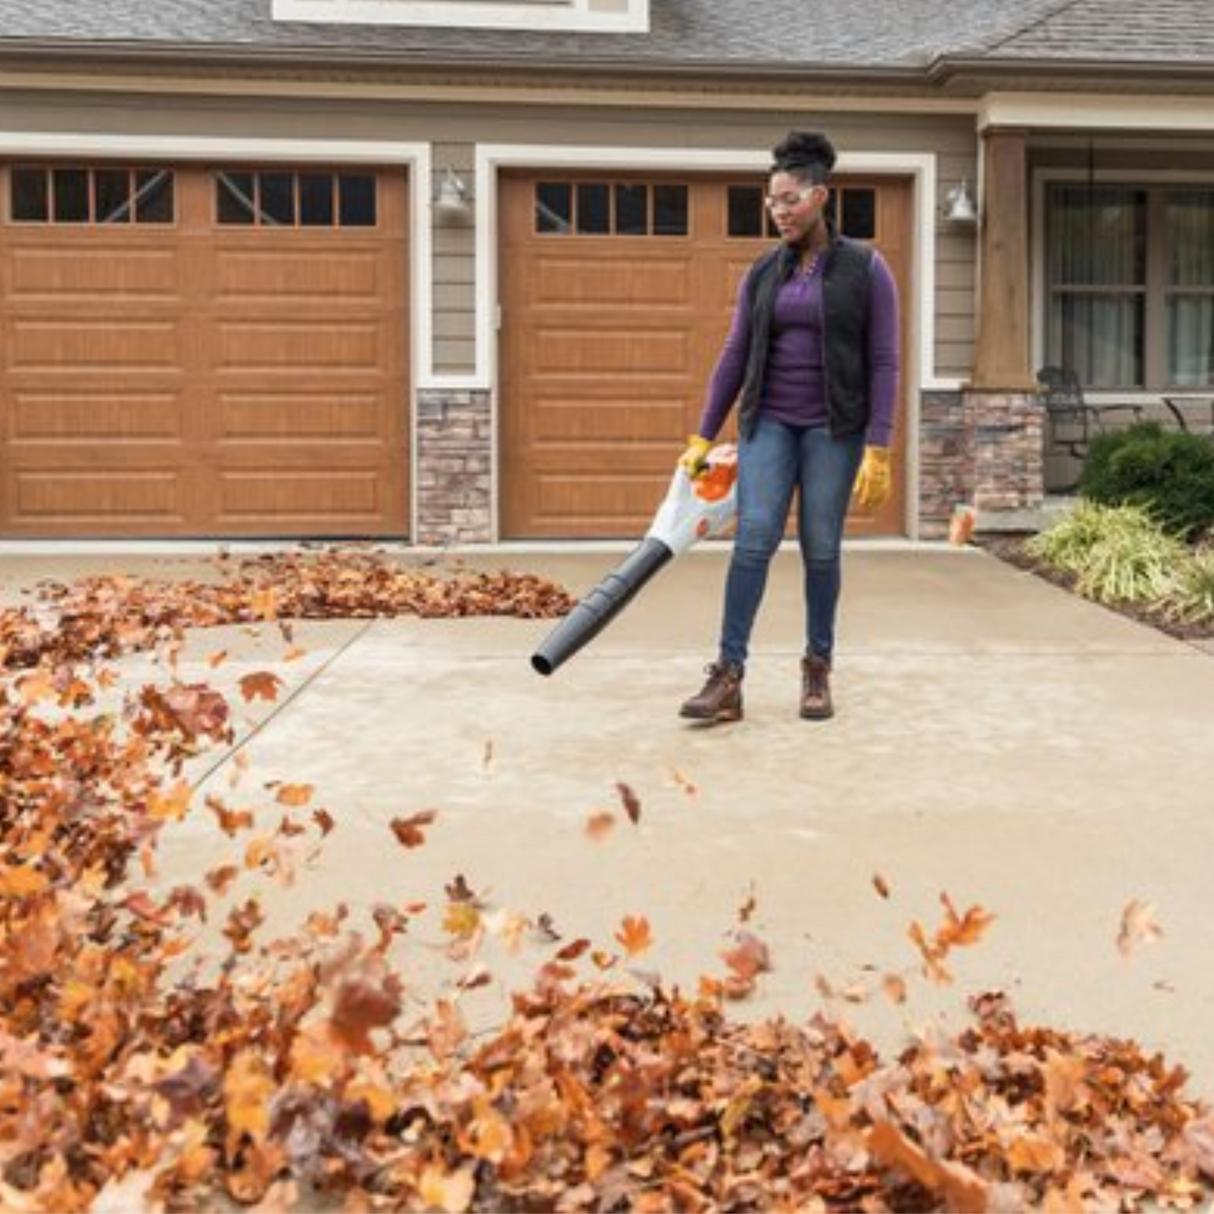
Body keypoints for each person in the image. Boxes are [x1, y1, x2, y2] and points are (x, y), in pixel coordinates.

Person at [677, 130, 900, 724]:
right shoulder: (762, 272)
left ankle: (817, 668)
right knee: (753, 541)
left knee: (821, 549)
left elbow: (884, 360)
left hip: (834, 429)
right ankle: (728, 675)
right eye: (771, 200)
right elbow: (735, 352)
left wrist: (879, 445)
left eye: (789, 199)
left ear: (820, 196)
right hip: (768, 422)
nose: (778, 210)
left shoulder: (866, 268)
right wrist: (704, 433)